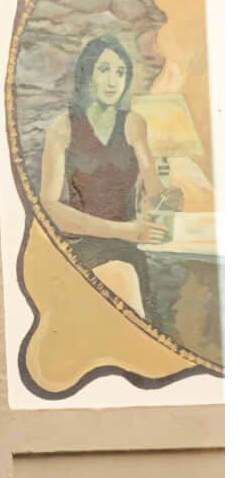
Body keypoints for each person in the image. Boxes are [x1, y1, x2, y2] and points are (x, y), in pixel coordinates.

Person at [39, 34, 169, 319]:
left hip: (130, 245)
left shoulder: (134, 124)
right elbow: (51, 209)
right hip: (85, 244)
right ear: (87, 73)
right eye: (104, 69)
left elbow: (154, 190)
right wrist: (126, 231)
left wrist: (162, 198)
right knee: (124, 293)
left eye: (120, 72)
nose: (113, 81)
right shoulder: (62, 128)